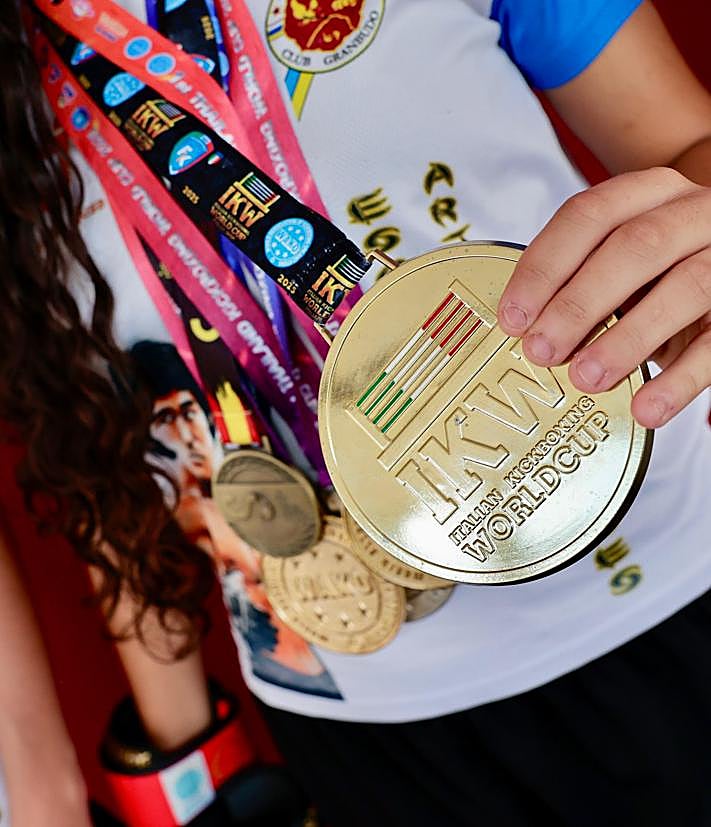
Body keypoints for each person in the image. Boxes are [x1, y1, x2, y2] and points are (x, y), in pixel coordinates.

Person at [2, 0, 711, 825]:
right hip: (351, 714)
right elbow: (90, 429)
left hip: (667, 578)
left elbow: (677, 142)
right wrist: (190, 774)